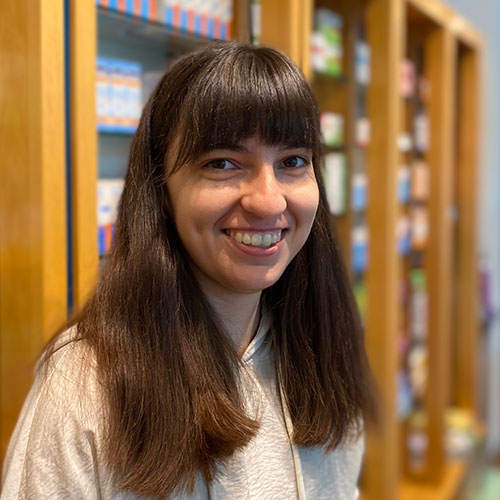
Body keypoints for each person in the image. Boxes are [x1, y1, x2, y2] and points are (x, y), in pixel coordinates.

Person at [1, 41, 376, 500]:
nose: (268, 201)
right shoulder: (85, 384)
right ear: (161, 189)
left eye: (293, 161)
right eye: (222, 163)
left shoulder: (323, 353)